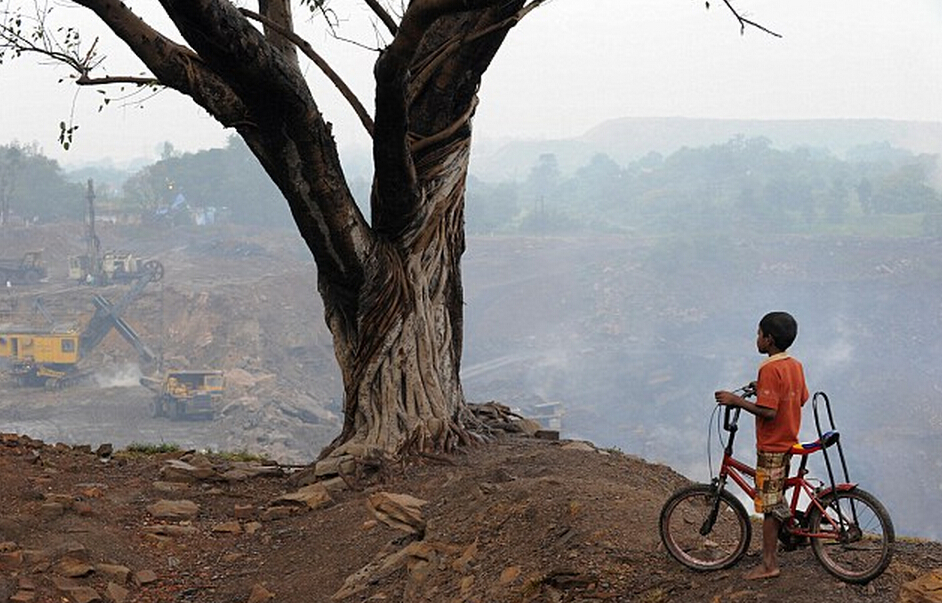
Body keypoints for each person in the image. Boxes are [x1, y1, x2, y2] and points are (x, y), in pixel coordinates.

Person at [715, 311, 809, 580]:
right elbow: (799, 397)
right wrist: (763, 388)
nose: (756, 338)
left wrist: (736, 400)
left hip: (772, 444)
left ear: (768, 340)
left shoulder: (769, 368)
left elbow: (768, 412)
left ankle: (769, 564)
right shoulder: (795, 364)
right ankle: (792, 532)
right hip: (789, 438)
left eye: (758, 334)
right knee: (775, 494)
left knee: (769, 507)